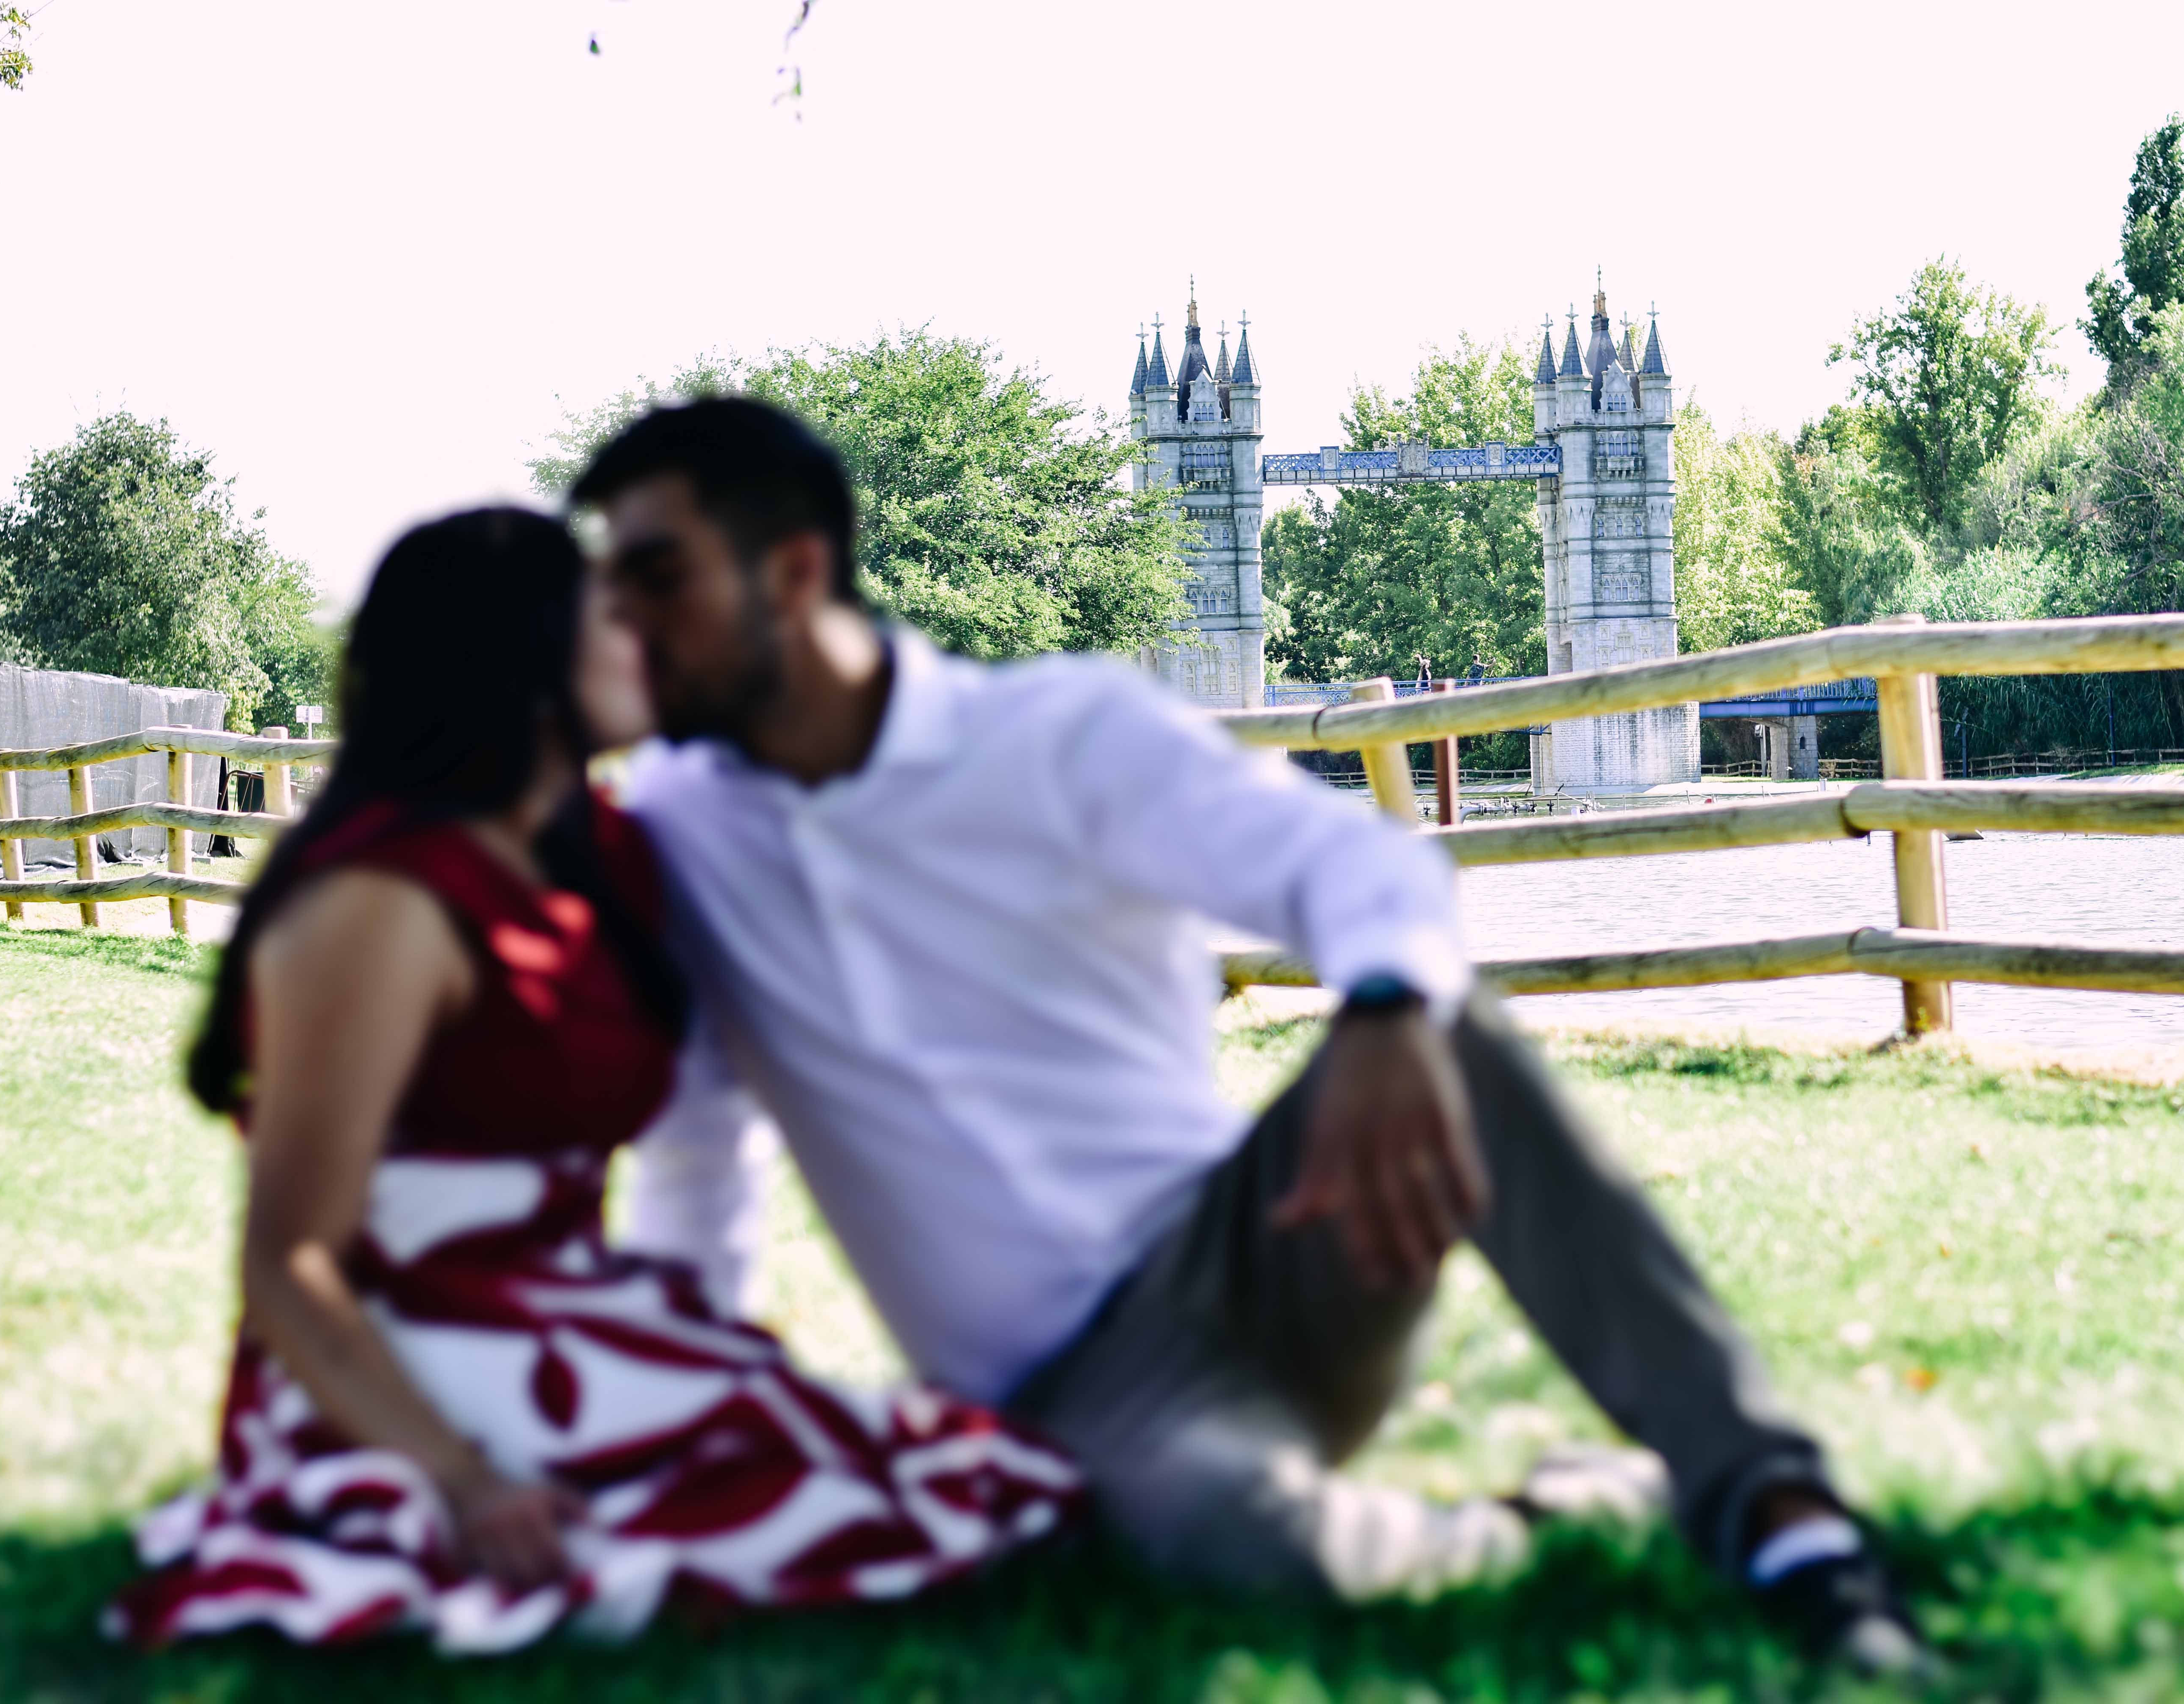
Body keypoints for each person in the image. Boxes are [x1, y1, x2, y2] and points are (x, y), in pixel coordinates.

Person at [582, 400, 1928, 1675]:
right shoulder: (681, 834)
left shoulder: (1060, 735)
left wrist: (1390, 1009)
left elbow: (1357, 871)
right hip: (1085, 1404)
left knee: (1447, 1027)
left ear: (796, 571)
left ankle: (1780, 1513)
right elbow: (702, 1161)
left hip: (1273, 1241)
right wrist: (684, 1437)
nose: (619, 618)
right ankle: (1562, 1517)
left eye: (657, 575)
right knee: (1233, 1547)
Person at [108, 509, 1078, 1654]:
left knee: (979, 1480)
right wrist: (465, 1484)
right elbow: (289, 1261)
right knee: (891, 1513)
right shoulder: (381, 899)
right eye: (619, 621)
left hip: (572, 1314)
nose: (651, 643)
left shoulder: (597, 858)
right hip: (400, 1355)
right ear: (522, 658)